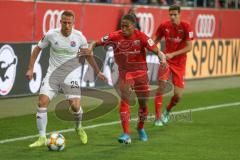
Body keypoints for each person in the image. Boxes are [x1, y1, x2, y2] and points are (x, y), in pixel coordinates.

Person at [80, 14, 166, 144]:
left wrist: (162, 57)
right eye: (122, 26)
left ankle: (140, 128)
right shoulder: (115, 36)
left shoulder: (142, 37)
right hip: (125, 74)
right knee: (124, 100)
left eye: (127, 26)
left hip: (141, 74)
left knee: (143, 104)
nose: (124, 28)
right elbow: (95, 43)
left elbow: (157, 51)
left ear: (134, 26)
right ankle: (126, 133)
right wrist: (90, 48)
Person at [26, 10, 106, 147]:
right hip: (53, 74)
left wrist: (98, 72)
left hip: (71, 75)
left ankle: (78, 127)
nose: (67, 25)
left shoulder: (79, 37)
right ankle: (41, 137)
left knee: (75, 106)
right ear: (60, 22)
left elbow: (87, 55)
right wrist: (30, 68)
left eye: (69, 23)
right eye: (64, 22)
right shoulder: (51, 35)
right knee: (42, 102)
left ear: (73, 23)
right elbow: (37, 49)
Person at [153, 5, 193, 126]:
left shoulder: (186, 27)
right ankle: (157, 117)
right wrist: (153, 49)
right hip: (166, 60)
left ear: (179, 14)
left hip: (179, 64)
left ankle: (167, 111)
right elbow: (154, 39)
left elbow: (189, 47)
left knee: (178, 96)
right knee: (161, 87)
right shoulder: (164, 26)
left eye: (175, 15)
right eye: (170, 14)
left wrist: (173, 54)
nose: (172, 17)